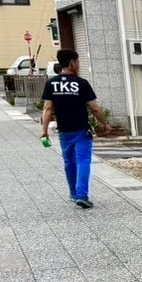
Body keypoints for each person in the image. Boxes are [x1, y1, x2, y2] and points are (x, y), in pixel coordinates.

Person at [40, 50, 105, 208]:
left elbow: (48, 108)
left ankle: (73, 193)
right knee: (83, 161)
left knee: (69, 162)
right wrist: (105, 123)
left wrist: (44, 131)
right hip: (81, 130)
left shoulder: (52, 83)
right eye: (77, 62)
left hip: (64, 130)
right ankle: (82, 194)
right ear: (71, 63)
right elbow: (95, 108)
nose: (79, 65)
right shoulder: (81, 83)